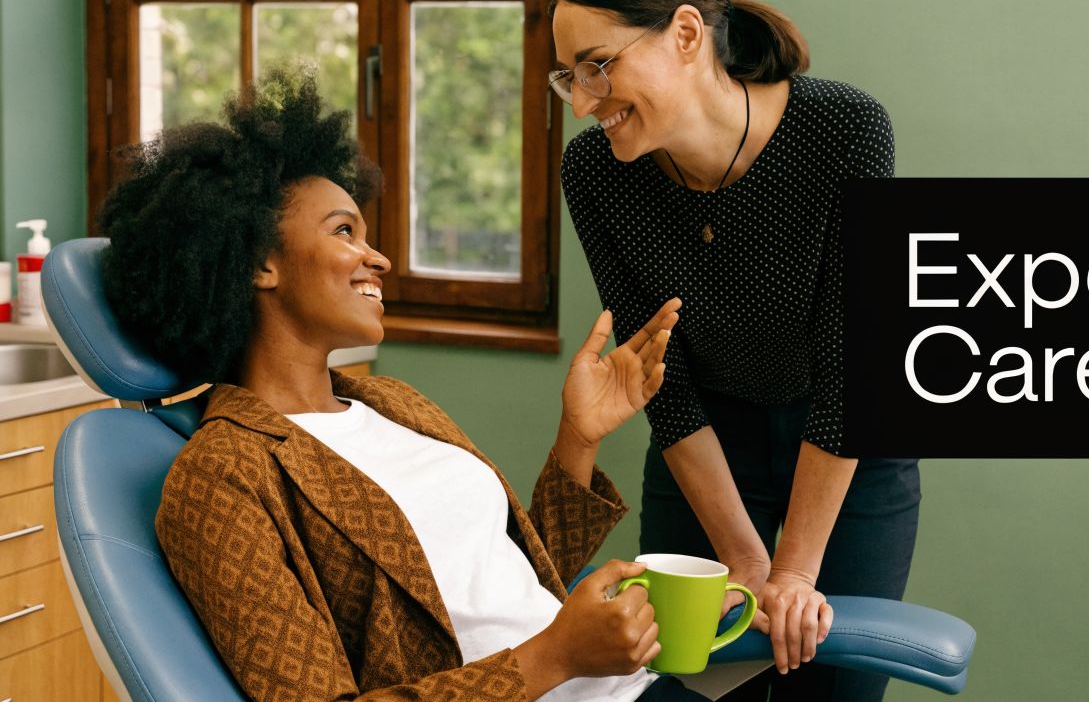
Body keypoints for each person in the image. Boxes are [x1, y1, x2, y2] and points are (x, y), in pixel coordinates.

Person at [98, 66, 708, 702]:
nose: (379, 258)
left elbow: (511, 585)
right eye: (344, 232)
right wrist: (554, 658)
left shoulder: (392, 403)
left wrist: (577, 440)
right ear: (258, 263)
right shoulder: (224, 474)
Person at [550, 0, 922, 700]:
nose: (585, 102)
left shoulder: (844, 130)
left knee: (832, 686)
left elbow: (853, 368)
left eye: (599, 65)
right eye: (569, 77)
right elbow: (666, 381)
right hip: (705, 451)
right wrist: (747, 564)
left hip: (849, 460)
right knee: (687, 686)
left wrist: (792, 570)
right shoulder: (594, 173)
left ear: (686, 34)